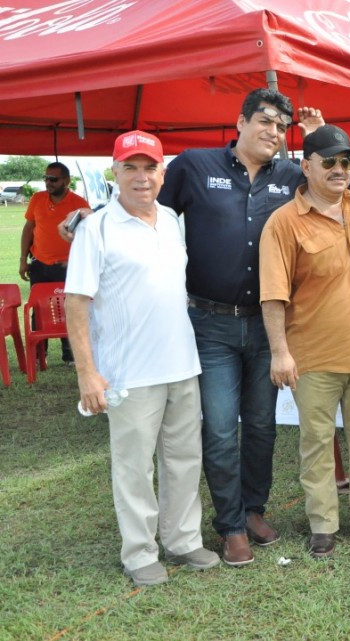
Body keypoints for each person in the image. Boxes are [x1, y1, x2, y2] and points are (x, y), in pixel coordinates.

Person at [155, 89, 323, 566]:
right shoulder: (194, 166)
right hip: (210, 325)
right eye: (265, 121)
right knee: (222, 428)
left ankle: (253, 510)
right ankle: (229, 525)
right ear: (241, 121)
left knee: (264, 427)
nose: (273, 132)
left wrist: (316, 141)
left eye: (282, 128)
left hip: (270, 327)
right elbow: (150, 213)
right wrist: (91, 219)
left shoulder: (293, 175)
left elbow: (337, 196)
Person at [64, 130, 219, 587]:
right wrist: (88, 374)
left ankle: (183, 538)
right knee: (134, 465)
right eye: (130, 167)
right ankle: (138, 552)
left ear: (162, 173)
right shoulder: (96, 228)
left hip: (182, 363)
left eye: (149, 167)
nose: (140, 176)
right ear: (114, 172)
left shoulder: (171, 218)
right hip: (128, 373)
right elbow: (76, 302)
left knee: (185, 458)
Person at [260, 125, 350, 558]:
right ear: (306, 167)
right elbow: (273, 294)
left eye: (345, 162)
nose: (339, 169)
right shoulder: (283, 223)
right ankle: (323, 525)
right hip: (313, 357)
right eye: (329, 162)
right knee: (317, 444)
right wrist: (280, 353)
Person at [19, 161, 89, 364]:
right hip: (39, 264)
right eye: (46, 178)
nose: (48, 183)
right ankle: (41, 355)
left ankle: (70, 356)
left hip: (67, 267)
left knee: (71, 309)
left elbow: (88, 236)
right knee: (38, 310)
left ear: (66, 181)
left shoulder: (79, 203)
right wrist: (23, 259)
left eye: (53, 179)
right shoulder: (37, 199)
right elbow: (28, 228)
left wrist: (77, 261)